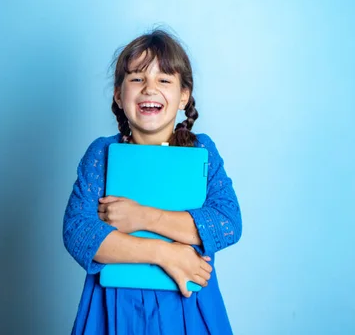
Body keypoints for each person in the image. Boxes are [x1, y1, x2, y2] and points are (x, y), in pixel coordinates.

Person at [63, 29, 242, 334]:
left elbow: (227, 222)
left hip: (187, 306)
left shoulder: (201, 151)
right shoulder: (101, 154)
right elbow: (79, 234)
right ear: (119, 94)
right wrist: (165, 254)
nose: (149, 88)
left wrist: (142, 216)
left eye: (164, 80)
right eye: (137, 78)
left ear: (184, 95)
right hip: (114, 305)